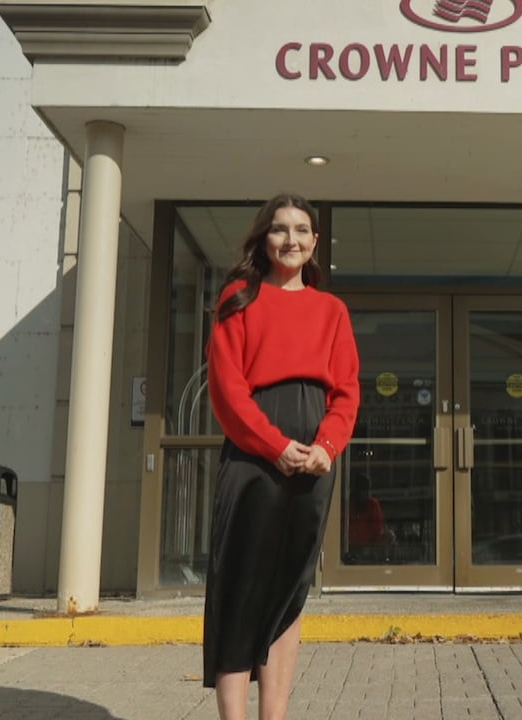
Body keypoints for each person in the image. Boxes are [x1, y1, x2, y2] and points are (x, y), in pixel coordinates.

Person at [202, 193, 360, 720]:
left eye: (301, 230)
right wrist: (276, 446)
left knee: (290, 591)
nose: (290, 239)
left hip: (313, 461)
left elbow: (346, 391)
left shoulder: (331, 310)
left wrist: (326, 448)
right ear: (263, 238)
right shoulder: (238, 299)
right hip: (253, 457)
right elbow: (227, 391)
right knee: (240, 584)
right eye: (279, 229)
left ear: (315, 242)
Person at [347, 473, 396, 561]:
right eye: (363, 490)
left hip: (371, 549)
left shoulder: (373, 504)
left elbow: (378, 529)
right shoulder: (349, 506)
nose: (366, 493)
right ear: (357, 490)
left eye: (368, 490)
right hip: (352, 549)